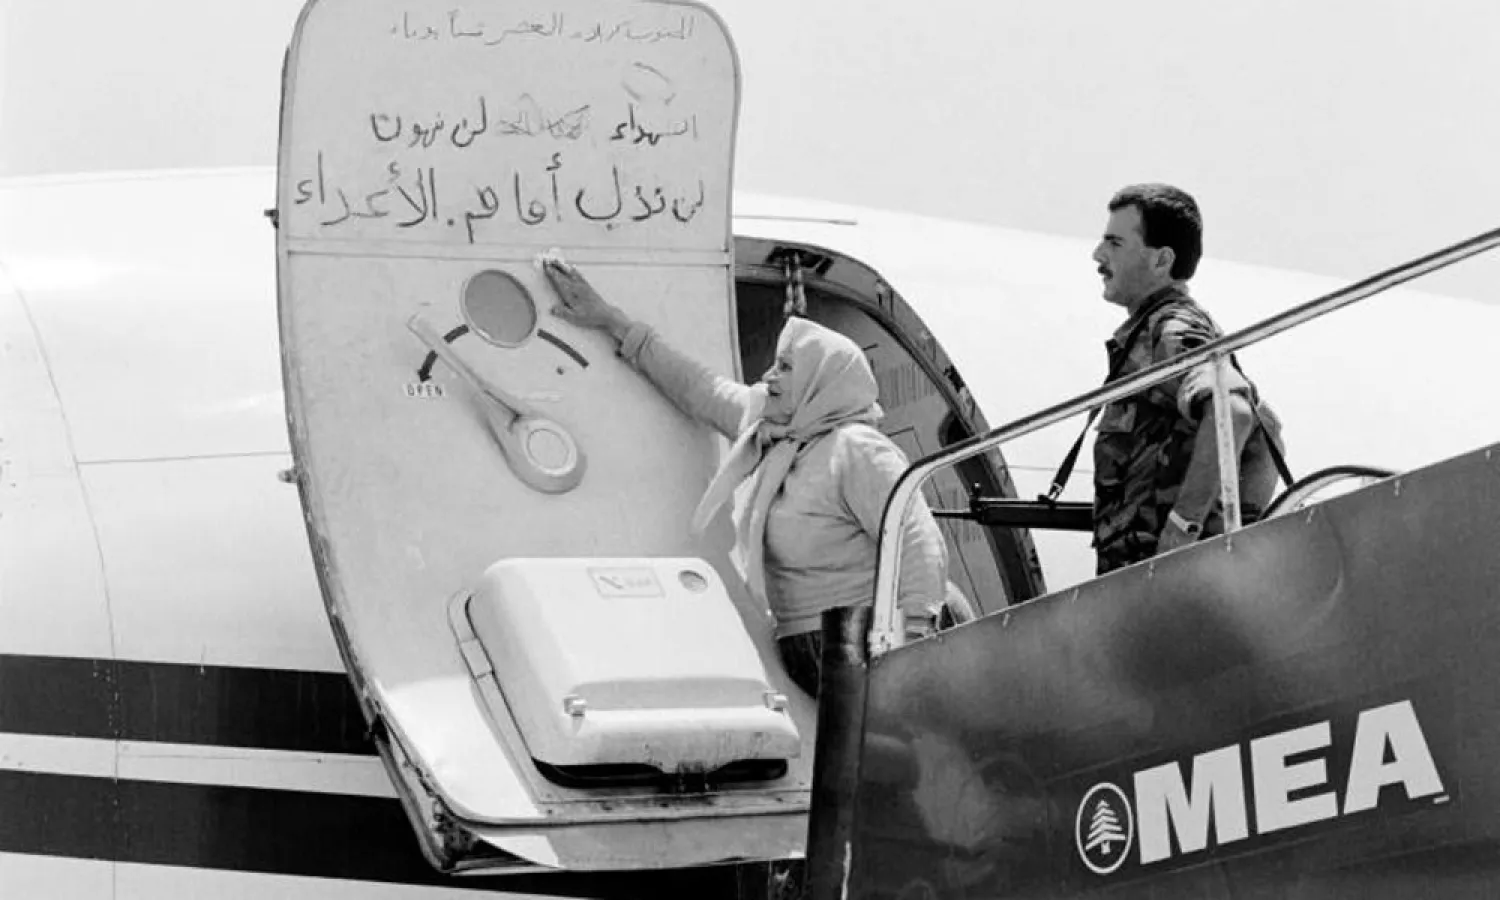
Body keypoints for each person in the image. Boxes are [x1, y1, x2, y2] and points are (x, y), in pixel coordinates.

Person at [541, 258, 948, 696]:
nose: (770, 377)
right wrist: (612, 321)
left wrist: (915, 646)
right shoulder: (774, 430)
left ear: (820, 382)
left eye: (787, 368)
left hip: (863, 643)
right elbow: (701, 389)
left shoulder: (857, 449)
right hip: (810, 647)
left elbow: (917, 539)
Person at [1089, 183, 1286, 575]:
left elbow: (1234, 413)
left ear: (1162, 260)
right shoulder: (1156, 330)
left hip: (1157, 582)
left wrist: (1183, 531)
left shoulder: (1171, 330)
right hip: (1145, 580)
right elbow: (1269, 427)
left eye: (1115, 243)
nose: (1098, 255)